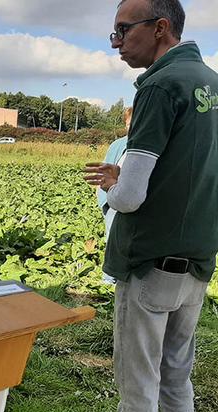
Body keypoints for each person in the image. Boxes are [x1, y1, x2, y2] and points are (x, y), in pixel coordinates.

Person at [71, 1, 218, 412]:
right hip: (198, 258)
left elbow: (130, 196)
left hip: (150, 261)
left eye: (122, 30)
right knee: (176, 382)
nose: (116, 42)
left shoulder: (160, 87)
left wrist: (117, 182)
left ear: (160, 28)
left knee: (138, 386)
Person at [97, 107, 133, 285]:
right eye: (128, 124)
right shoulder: (118, 145)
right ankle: (110, 279)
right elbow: (104, 173)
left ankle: (125, 277)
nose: (130, 127)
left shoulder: (151, 146)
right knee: (114, 239)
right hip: (114, 199)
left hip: (135, 200)